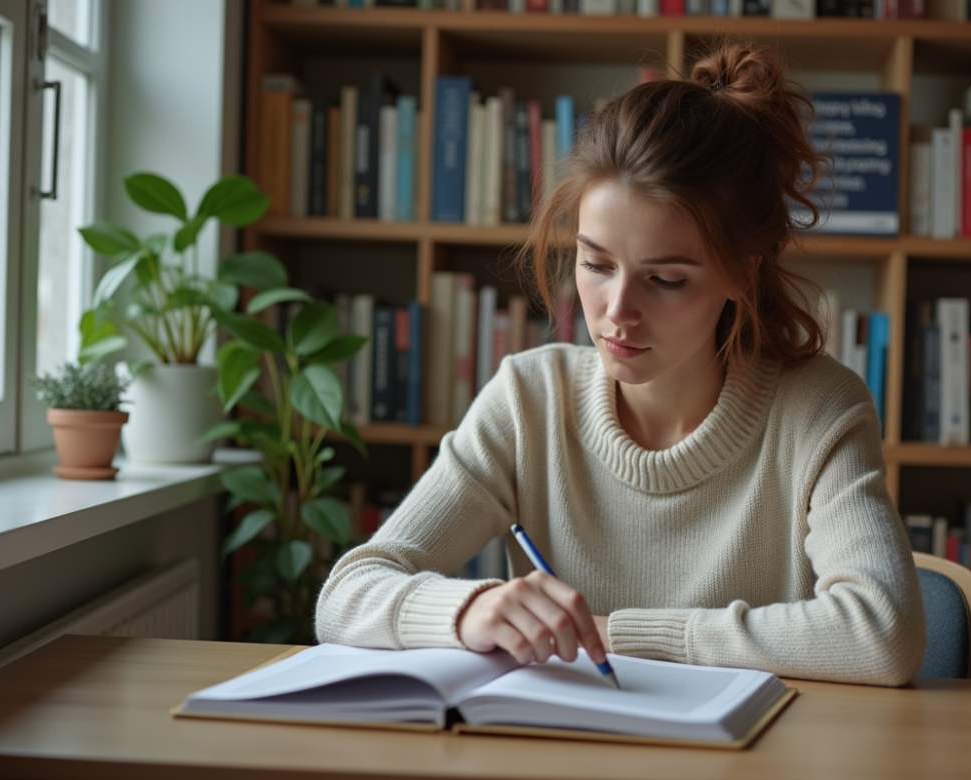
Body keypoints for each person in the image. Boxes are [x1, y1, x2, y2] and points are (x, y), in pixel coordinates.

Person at [316, 39, 927, 687]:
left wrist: (621, 635)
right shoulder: (529, 399)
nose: (616, 312)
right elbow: (347, 593)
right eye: (596, 264)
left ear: (741, 275)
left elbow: (884, 633)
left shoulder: (819, 409)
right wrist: (469, 607)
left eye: (665, 279)